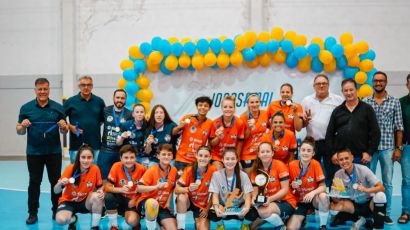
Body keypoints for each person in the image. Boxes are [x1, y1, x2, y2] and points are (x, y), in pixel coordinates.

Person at [16, 77, 68, 224]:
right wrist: (23, 126)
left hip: (54, 152)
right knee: (34, 183)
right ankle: (32, 213)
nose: (43, 92)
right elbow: (19, 130)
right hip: (34, 153)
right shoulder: (26, 108)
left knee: (56, 183)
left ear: (49, 89)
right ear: (35, 90)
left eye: (45, 89)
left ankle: (56, 210)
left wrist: (64, 127)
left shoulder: (58, 107)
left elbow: (64, 132)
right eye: (40, 89)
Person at [362, 71, 404, 224]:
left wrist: (398, 148)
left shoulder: (394, 102)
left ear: (386, 82)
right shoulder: (366, 102)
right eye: (376, 81)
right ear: (372, 82)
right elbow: (363, 128)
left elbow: (399, 127)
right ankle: (369, 213)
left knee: (387, 182)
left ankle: (385, 213)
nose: (378, 83)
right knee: (368, 182)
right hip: (370, 150)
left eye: (381, 81)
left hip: (388, 148)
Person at [325, 79, 380, 181]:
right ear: (342, 92)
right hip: (341, 159)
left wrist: (369, 152)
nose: (349, 93)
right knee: (341, 190)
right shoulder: (337, 111)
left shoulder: (367, 109)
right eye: (346, 90)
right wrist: (333, 153)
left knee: (363, 189)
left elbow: (375, 133)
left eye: (351, 90)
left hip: (361, 158)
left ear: (357, 90)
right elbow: (329, 135)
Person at [329, 148, 386, 230]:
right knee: (337, 206)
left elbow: (381, 188)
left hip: (368, 203)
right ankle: (361, 219)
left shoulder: (364, 169)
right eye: (341, 159)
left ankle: (377, 226)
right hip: (354, 205)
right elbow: (337, 199)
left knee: (380, 196)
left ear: (352, 158)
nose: (344, 161)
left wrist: (366, 190)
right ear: (338, 161)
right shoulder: (338, 174)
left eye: (346, 158)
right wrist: (334, 194)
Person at [301, 74, 343, 186]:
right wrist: (305, 121)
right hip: (313, 143)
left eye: (324, 83)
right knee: (311, 173)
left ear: (328, 85)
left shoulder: (338, 100)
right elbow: (302, 124)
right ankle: (312, 200)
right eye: (318, 83)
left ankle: (335, 200)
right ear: (314, 86)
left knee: (335, 172)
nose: (321, 86)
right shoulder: (306, 100)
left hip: (332, 142)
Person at [245, 142, 296, 229]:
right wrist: (254, 198)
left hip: (285, 201)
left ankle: (281, 226)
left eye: (268, 151)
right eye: (262, 152)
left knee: (263, 211)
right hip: (267, 201)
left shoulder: (280, 165)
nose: (265, 154)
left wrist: (270, 199)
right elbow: (255, 191)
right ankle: (281, 220)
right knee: (250, 221)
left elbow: (285, 190)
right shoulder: (256, 169)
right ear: (258, 154)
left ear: (272, 153)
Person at [53, 144, 104, 230]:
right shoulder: (70, 168)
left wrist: (101, 191)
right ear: (79, 158)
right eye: (83, 157)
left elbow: (100, 186)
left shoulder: (95, 169)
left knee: (97, 197)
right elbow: (56, 191)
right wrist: (60, 183)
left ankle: (95, 227)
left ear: (93, 159)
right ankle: (73, 220)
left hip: (85, 201)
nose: (86, 160)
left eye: (89, 157)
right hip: (69, 201)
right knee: (60, 220)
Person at [287, 137, 329, 230]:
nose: (305, 153)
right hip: (300, 201)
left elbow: (323, 186)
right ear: (299, 151)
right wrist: (291, 185)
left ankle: (323, 226)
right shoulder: (291, 165)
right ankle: (302, 217)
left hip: (313, 199)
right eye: (303, 150)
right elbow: (286, 186)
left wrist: (312, 193)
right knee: (291, 228)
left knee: (323, 197)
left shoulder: (315, 164)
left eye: (309, 150)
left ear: (313, 153)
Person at [135, 144, 178, 230]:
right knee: (153, 204)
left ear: (172, 156)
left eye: (169, 154)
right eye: (164, 154)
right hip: (147, 202)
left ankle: (158, 224)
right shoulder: (152, 169)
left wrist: (168, 202)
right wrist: (156, 187)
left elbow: (172, 188)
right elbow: (138, 188)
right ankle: (151, 226)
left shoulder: (174, 170)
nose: (166, 157)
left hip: (162, 206)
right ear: (158, 156)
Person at [64, 75, 106, 163]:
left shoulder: (99, 101)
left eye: (89, 85)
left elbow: (102, 120)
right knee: (76, 172)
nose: (86, 87)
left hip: (95, 145)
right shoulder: (71, 101)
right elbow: (60, 118)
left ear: (92, 86)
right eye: (83, 85)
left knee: (94, 173)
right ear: (79, 86)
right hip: (76, 145)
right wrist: (70, 127)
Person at [209, 147, 253, 230]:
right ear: (222, 160)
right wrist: (216, 207)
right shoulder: (216, 175)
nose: (230, 161)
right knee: (212, 212)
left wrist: (246, 207)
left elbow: (248, 196)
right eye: (227, 159)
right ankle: (220, 225)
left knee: (252, 212)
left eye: (233, 159)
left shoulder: (243, 175)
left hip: (239, 208)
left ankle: (244, 225)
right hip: (224, 207)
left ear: (237, 160)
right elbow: (214, 196)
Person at [175, 146, 218, 230]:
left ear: (210, 157)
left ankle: (197, 221)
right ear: (196, 156)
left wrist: (207, 208)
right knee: (182, 196)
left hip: (202, 206)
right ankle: (181, 227)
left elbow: (215, 193)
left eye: (206, 156)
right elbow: (176, 190)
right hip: (189, 201)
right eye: (200, 155)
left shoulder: (213, 170)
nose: (203, 158)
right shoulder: (189, 169)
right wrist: (188, 189)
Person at [104, 144, 146, 230]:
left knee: (132, 221)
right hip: (120, 198)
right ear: (121, 158)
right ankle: (114, 226)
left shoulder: (142, 169)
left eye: (131, 157)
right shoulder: (116, 166)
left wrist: (135, 200)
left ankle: (136, 222)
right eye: (126, 158)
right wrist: (120, 189)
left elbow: (146, 191)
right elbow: (107, 187)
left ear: (136, 158)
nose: (129, 160)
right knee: (108, 196)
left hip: (133, 201)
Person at [98, 89, 132, 180]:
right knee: (103, 178)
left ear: (125, 100)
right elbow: (98, 123)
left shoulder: (130, 114)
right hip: (106, 150)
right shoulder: (105, 110)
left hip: (121, 152)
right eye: (117, 97)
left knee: (120, 179)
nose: (119, 100)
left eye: (122, 98)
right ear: (113, 98)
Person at [173, 96, 213, 173]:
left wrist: (206, 157)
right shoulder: (188, 118)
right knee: (179, 183)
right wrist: (179, 127)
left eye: (206, 106)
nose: (203, 107)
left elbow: (210, 143)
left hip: (198, 161)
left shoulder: (210, 123)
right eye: (200, 105)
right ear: (196, 106)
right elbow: (174, 133)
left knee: (194, 184)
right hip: (182, 159)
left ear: (209, 108)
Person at [209, 96, 245, 169]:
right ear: (222, 108)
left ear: (234, 109)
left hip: (231, 156)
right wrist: (218, 138)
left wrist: (236, 159)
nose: (228, 109)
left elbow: (240, 143)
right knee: (218, 171)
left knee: (239, 169)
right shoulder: (215, 123)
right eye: (225, 107)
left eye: (230, 107)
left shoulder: (240, 123)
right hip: (218, 156)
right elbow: (211, 144)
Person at [240, 93, 269, 174]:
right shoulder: (243, 117)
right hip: (248, 154)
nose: (254, 104)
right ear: (248, 104)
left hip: (263, 153)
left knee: (262, 179)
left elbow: (271, 129)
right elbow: (242, 138)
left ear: (260, 103)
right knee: (249, 181)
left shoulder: (265, 114)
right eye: (252, 102)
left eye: (257, 102)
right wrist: (249, 128)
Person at [398, 73, 410, 224]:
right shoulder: (401, 103)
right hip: (407, 148)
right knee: (407, 181)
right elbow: (398, 128)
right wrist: (398, 148)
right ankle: (406, 212)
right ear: (407, 85)